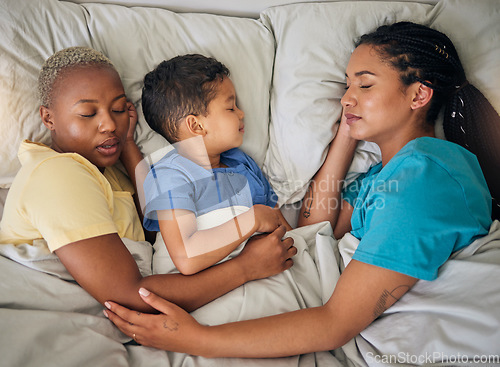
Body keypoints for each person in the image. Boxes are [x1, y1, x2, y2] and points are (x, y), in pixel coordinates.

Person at [104, 21, 498, 356]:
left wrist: (197, 339)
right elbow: (313, 226)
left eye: (364, 86)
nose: (345, 98)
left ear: (419, 95)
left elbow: (334, 323)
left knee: (146, 295)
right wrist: (348, 133)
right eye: (346, 86)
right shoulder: (385, 176)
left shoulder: (424, 174)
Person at [0, 46, 296, 315]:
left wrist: (128, 145)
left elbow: (152, 223)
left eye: (118, 109)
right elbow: (131, 295)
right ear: (48, 118)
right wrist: (245, 267)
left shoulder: (106, 170)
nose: (109, 124)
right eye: (88, 113)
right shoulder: (56, 174)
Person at [140, 54, 291, 275]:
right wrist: (253, 219)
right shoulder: (169, 176)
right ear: (197, 125)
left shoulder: (242, 162)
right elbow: (186, 257)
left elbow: (282, 227)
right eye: (231, 108)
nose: (242, 113)